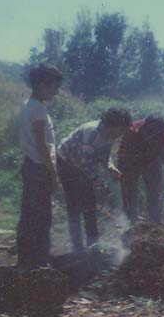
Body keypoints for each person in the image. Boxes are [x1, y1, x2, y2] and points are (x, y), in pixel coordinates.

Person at [56, 108, 132, 253]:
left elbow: (103, 156)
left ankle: (93, 245)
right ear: (113, 125)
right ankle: (77, 247)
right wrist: (99, 183)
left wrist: (110, 167)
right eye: (121, 130)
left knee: (89, 205)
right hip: (66, 162)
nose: (122, 134)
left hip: (82, 163)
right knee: (75, 204)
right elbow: (85, 166)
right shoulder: (92, 135)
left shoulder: (109, 134)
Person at [16, 64, 63, 271]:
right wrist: (53, 172)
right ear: (42, 85)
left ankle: (27, 259)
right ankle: (38, 262)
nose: (57, 92)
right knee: (41, 216)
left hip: (31, 164)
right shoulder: (37, 109)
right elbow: (42, 145)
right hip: (39, 167)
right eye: (54, 87)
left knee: (29, 214)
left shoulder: (30, 105)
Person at [111, 115, 164, 224]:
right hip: (131, 161)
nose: (155, 139)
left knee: (155, 191)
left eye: (158, 136)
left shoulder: (162, 140)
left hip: (152, 160)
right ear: (145, 131)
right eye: (153, 136)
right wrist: (120, 173)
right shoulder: (131, 133)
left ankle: (155, 223)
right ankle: (130, 223)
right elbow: (122, 155)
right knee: (129, 191)